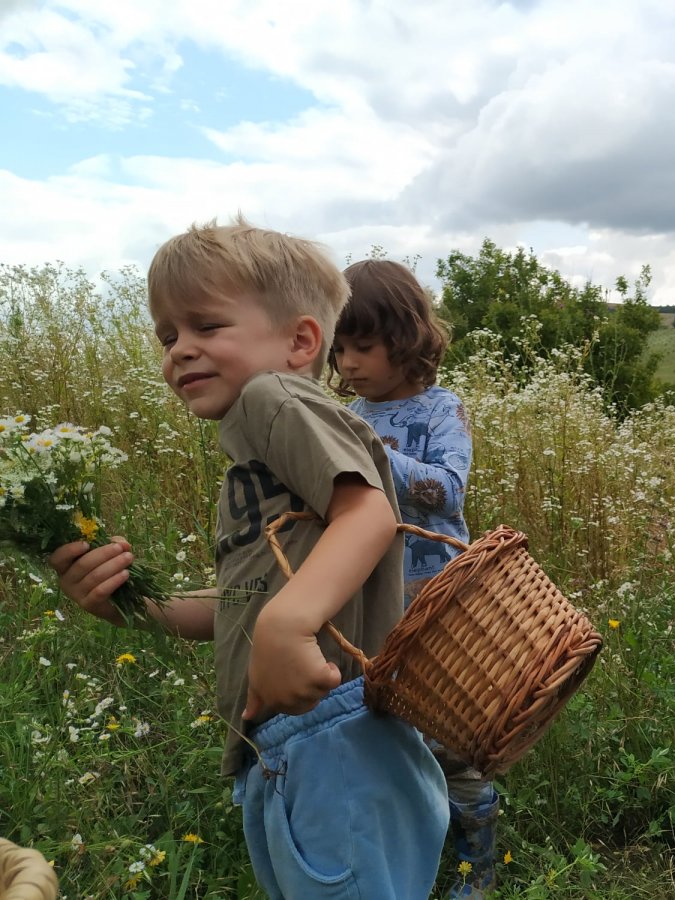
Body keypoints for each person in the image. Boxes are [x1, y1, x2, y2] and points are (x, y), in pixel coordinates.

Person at [49, 218, 449, 899]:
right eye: (167, 335)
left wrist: (286, 626)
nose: (180, 350)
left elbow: (371, 514)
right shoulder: (253, 457)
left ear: (299, 342)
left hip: (334, 736)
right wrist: (131, 603)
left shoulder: (276, 398)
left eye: (206, 326)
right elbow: (244, 605)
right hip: (292, 746)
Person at [327, 259, 497, 898]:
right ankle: (412, 850)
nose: (348, 363)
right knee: (390, 731)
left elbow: (448, 490)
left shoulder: (440, 408)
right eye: (339, 349)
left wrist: (371, 450)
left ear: (405, 340)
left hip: (440, 598)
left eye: (363, 347)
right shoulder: (345, 413)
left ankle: (474, 863)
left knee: (452, 733)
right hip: (370, 599)